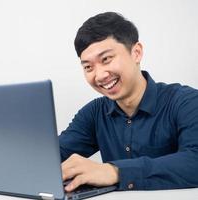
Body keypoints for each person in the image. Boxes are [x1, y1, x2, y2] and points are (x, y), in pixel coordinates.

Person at [59, 12, 198, 192]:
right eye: (88, 67)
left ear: (136, 53)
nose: (100, 75)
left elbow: (195, 159)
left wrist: (115, 172)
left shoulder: (185, 102)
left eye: (106, 59)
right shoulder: (93, 113)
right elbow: (50, 158)